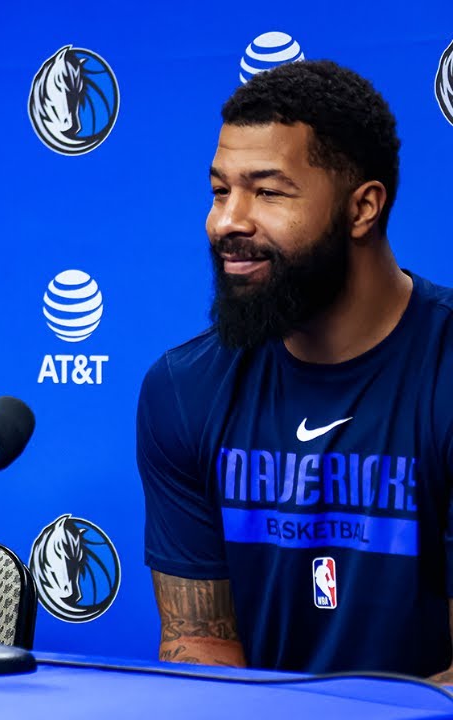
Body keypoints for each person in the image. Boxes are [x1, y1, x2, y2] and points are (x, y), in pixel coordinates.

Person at [137, 59, 453, 679]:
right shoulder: (183, 388)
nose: (228, 221)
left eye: (268, 192)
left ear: (362, 209)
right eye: (220, 191)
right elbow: (197, 644)